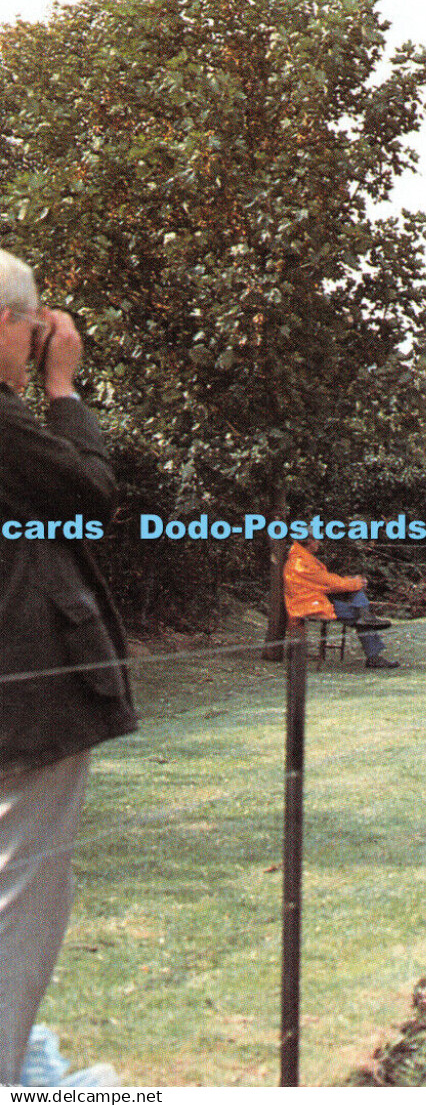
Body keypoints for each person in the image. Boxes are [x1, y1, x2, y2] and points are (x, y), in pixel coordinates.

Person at [0, 249, 134, 1087]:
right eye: (31, 322)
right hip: (23, 700)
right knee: (24, 886)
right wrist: (63, 389)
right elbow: (89, 494)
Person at [283, 538, 400, 668]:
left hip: (312, 600)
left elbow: (325, 582)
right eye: (316, 541)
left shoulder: (301, 558)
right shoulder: (301, 562)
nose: (319, 543)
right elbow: (327, 582)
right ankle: (373, 654)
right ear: (309, 542)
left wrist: (352, 582)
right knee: (359, 613)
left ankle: (365, 615)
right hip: (310, 605)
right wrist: (355, 582)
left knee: (357, 600)